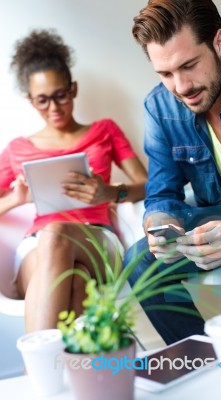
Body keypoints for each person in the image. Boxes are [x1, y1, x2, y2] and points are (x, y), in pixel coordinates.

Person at [124, 0, 221, 345]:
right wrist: (162, 229)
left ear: (218, 43)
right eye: (165, 74)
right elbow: (161, 194)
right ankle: (203, 369)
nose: (181, 86)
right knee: (141, 259)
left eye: (189, 65)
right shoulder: (159, 108)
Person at [0, 29, 147, 333]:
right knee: (75, 281)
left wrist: (110, 193)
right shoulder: (17, 149)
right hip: (36, 247)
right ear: (30, 100)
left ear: (73, 88)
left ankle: (34, 372)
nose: (54, 108)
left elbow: (147, 184)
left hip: (97, 239)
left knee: (55, 232)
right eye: (42, 100)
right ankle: (72, 374)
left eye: (60, 95)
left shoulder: (104, 130)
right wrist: (16, 199)